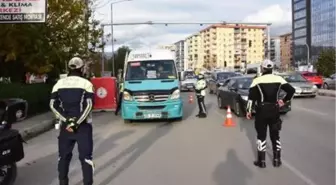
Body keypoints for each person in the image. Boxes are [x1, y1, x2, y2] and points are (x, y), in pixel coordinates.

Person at [49, 57, 95, 185]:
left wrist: (67, 121)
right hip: (83, 127)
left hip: (65, 127)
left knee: (63, 157)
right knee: (86, 159)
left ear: (69, 68)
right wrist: (76, 123)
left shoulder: (59, 84)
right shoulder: (86, 83)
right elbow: (89, 106)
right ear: (81, 68)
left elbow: (53, 105)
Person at [246, 59, 295, 168]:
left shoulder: (257, 80)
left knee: (261, 136)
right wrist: (284, 100)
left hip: (261, 111)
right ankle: (277, 160)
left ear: (263, 68)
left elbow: (251, 98)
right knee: (275, 136)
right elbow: (291, 91)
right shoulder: (279, 79)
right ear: (272, 68)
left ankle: (261, 162)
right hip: (274, 110)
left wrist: (248, 111)